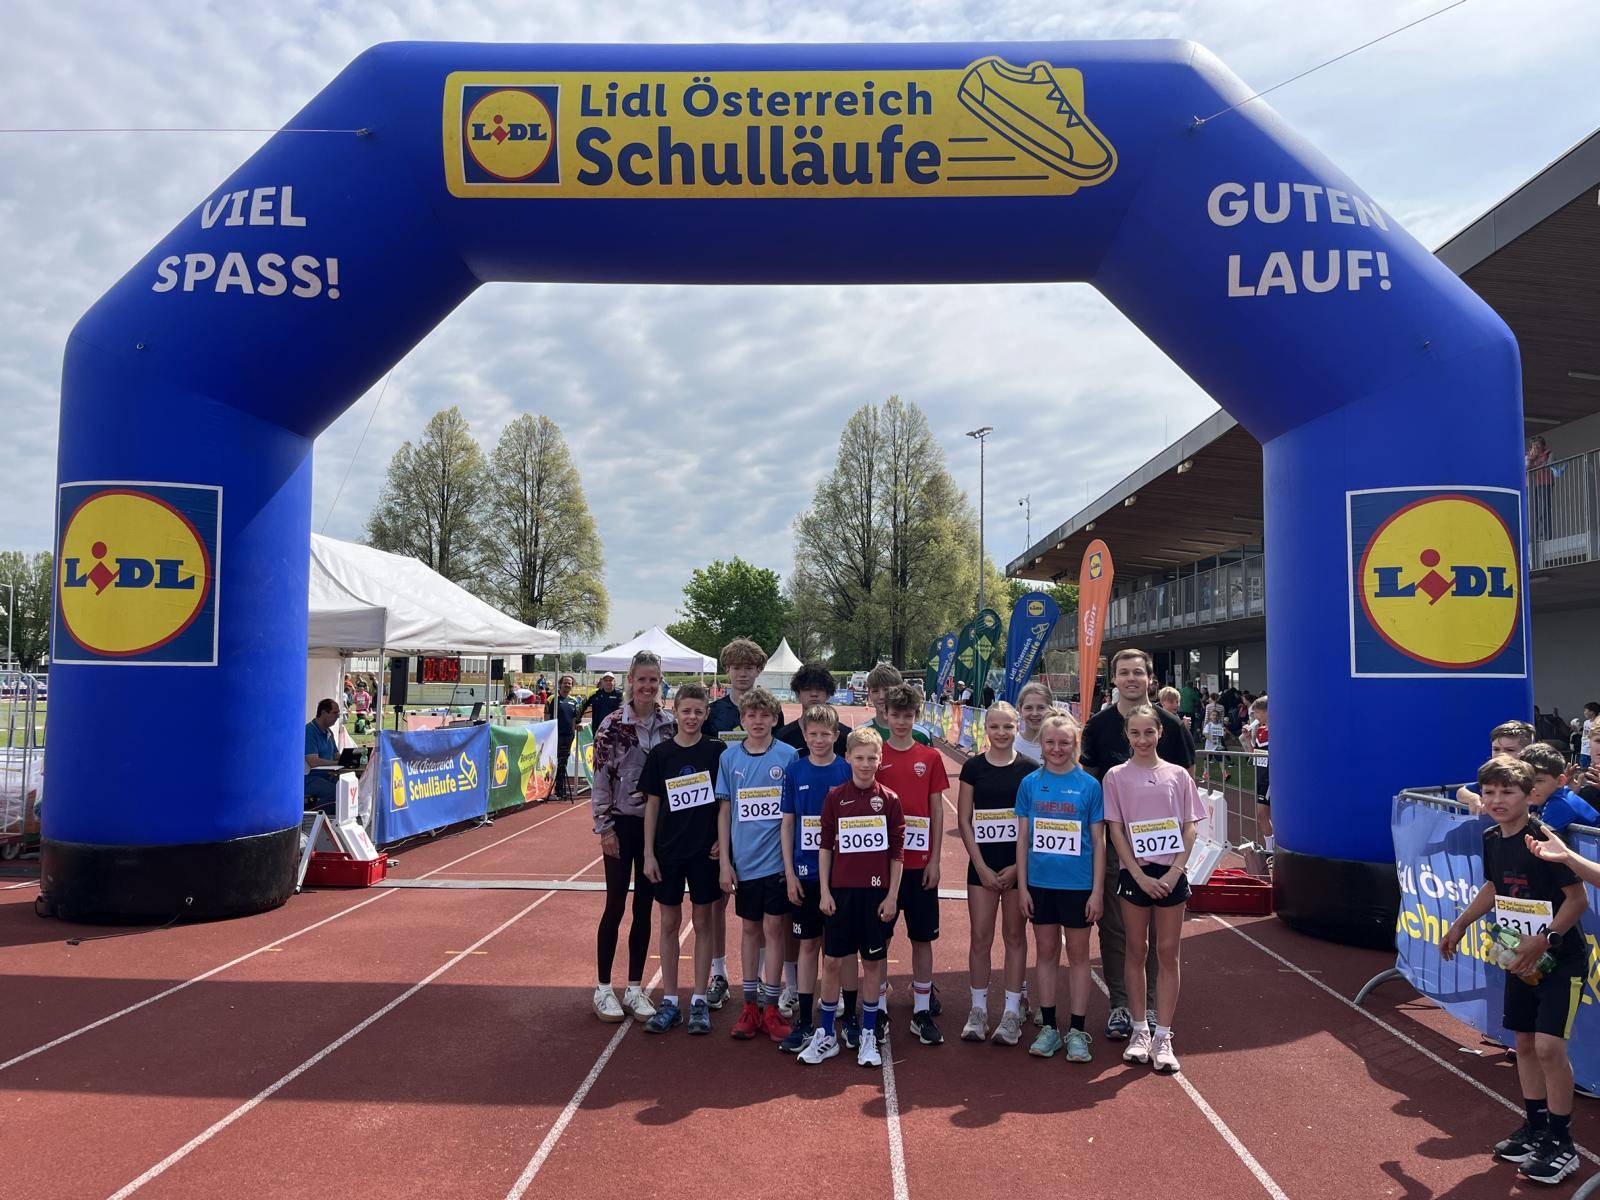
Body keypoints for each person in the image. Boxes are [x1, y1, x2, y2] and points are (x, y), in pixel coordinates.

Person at [1443, 755, 1588, 1185]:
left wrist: (1545, 939)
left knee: (1548, 1048)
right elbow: (1493, 887)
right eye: (1489, 793)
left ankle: (1562, 1143)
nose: (1497, 800)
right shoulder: (1490, 838)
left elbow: (1577, 900)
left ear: (1529, 795)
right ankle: (1536, 1127)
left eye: (1508, 792)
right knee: (1522, 1042)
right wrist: (1460, 923)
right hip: (1516, 956)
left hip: (1560, 959)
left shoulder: (1544, 838)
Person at [1080, 648, 1193, 1043]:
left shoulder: (1174, 728)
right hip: (1117, 846)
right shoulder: (1097, 727)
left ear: (1151, 679)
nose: (1131, 679)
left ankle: (1151, 1005)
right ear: (1113, 679)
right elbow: (1089, 788)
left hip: (1166, 853)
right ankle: (1121, 1005)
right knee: (1118, 929)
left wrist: (1183, 856)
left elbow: (1187, 789)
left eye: (1138, 673)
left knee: (1160, 937)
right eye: (1123, 673)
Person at [1104, 703, 1207, 1074]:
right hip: (1136, 876)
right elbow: (1115, 830)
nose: (1143, 739)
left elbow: (1190, 826)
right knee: (1135, 949)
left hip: (1172, 876)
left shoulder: (1179, 775)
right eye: (1135, 733)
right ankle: (1139, 1030)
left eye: (1149, 732)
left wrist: (1175, 871)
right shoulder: (1115, 776)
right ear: (1127, 735)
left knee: (1167, 952)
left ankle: (1163, 1034)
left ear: (1160, 733)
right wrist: (1139, 874)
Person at [798, 726, 905, 1069]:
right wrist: (826, 891)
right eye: (858, 757)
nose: (865, 763)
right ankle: (827, 1033)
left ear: (880, 759)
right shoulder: (835, 798)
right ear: (848, 759)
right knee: (832, 962)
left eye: (871, 757)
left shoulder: (889, 800)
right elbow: (825, 847)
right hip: (840, 895)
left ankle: (869, 1033)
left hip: (875, 897)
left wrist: (892, 896)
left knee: (872, 964)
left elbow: (897, 854)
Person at [590, 650, 674, 1024]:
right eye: (641, 679)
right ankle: (603, 986)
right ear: (630, 681)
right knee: (615, 905)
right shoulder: (611, 725)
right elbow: (600, 781)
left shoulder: (670, 724)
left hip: (657, 829)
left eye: (653, 680)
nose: (647, 685)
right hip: (621, 825)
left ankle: (635, 987)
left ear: (660, 683)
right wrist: (604, 827)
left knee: (645, 906)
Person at [1016, 712, 1105, 1062]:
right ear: (1041, 744)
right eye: (1050, 742)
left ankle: (1078, 1030)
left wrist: (1096, 891)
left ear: (1075, 745)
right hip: (1040, 884)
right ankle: (1050, 1027)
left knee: (1080, 957)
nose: (1057, 748)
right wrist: (1022, 887)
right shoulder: (1030, 784)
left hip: (1078, 885)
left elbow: (1098, 843)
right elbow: (1022, 840)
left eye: (1064, 742)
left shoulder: (1089, 787)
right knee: (1047, 953)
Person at [640, 683, 725, 1035]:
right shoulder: (661, 754)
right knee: (669, 924)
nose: (692, 717)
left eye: (698, 711)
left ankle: (701, 1000)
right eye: (686, 711)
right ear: (675, 712)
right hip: (668, 852)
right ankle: (671, 1000)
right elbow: (652, 806)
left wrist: (723, 841)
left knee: (704, 923)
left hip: (705, 852)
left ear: (706, 714)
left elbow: (725, 803)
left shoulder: (717, 752)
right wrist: (647, 853)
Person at [714, 687, 797, 1043]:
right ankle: (749, 1005)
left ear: (775, 719)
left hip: (778, 864)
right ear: (742, 720)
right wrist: (725, 864)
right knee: (750, 931)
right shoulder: (730, 759)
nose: (758, 721)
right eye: (751, 716)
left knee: (774, 930)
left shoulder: (789, 756)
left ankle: (772, 1006)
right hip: (744, 864)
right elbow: (726, 810)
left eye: (765, 715)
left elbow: (792, 814)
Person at [957, 702, 1035, 1045]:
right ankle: (977, 1010)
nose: (1001, 733)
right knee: (980, 938)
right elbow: (964, 820)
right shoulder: (973, 768)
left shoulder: (1030, 770)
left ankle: (1012, 1012)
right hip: (983, 868)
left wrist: (1019, 867)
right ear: (984, 729)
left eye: (1007, 727)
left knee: (1015, 938)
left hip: (1017, 867)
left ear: (1017, 728)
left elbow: (1033, 825)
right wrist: (980, 866)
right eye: (995, 727)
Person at [778, 703, 853, 1053]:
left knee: (840, 950)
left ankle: (845, 1014)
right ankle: (805, 1020)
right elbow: (788, 822)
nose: (819, 739)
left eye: (826, 734)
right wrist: (789, 873)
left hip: (843, 875)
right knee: (808, 944)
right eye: (813, 734)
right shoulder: (795, 771)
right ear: (804, 736)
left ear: (837, 737)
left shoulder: (846, 770)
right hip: (805, 873)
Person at [876, 683, 949, 1045]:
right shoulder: (874, 757)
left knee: (922, 939)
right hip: (883, 867)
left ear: (915, 717)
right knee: (880, 936)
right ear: (885, 715)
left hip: (920, 865)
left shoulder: (930, 757)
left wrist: (935, 858)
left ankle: (921, 1010)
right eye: (896, 715)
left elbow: (936, 809)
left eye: (908, 716)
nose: (902, 722)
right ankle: (877, 1007)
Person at [704, 637, 770, 1010]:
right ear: (727, 670)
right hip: (720, 812)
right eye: (736, 666)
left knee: (758, 908)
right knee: (717, 902)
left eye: (749, 667)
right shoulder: (713, 714)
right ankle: (718, 973)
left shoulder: (768, 710)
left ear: (758, 671)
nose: (743, 673)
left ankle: (758, 975)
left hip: (758, 822)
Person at [1518, 744, 1599, 834]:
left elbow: (1538, 841)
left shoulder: (1559, 804)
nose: (1531, 787)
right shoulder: (1547, 796)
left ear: (1560, 781)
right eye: (1526, 780)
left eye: (1539, 780)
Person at [1457, 720, 1537, 809]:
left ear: (1526, 751)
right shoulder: (1494, 772)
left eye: (1510, 750)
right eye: (1496, 749)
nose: (1501, 754)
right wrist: (1472, 798)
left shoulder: (1536, 776)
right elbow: (1461, 792)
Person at [778, 663, 852, 757]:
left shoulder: (846, 737)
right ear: (797, 694)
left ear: (828, 694)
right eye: (807, 689)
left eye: (820, 689)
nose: (814, 694)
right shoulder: (783, 737)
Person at [865, 662, 931, 745]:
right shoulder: (860, 734)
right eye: (875, 691)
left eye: (886, 690)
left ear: (900, 689)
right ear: (869, 693)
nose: (881, 696)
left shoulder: (921, 735)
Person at [303, 698, 343, 813]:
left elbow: (336, 756)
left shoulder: (329, 732)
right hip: (309, 778)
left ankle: (333, 819)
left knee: (346, 788)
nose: (338, 716)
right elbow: (313, 761)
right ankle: (312, 814)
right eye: (335, 713)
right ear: (324, 713)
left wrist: (350, 758)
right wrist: (337, 763)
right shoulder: (309, 731)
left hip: (326, 776)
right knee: (336, 792)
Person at [1247, 695, 1272, 850]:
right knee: (1262, 815)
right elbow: (1254, 755)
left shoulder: (1277, 730)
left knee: (1263, 812)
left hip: (1271, 777)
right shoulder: (1261, 730)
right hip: (1261, 775)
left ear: (1266, 712)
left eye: (1256, 713)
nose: (1254, 717)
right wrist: (1247, 738)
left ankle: (1272, 849)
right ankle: (1270, 847)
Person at [554, 674, 578, 800]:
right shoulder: (553, 698)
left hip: (569, 735)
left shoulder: (573, 701)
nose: (567, 685)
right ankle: (553, 789)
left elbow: (574, 719)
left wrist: (575, 730)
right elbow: (547, 717)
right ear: (560, 684)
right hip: (556, 735)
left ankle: (560, 788)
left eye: (569, 683)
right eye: (565, 683)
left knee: (563, 762)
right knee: (554, 762)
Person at [1014, 681, 1051, 762]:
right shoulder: (1012, 746)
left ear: (1050, 709)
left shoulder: (1058, 746)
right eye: (1028, 708)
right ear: (1020, 710)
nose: (1034, 713)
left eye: (1041, 707)